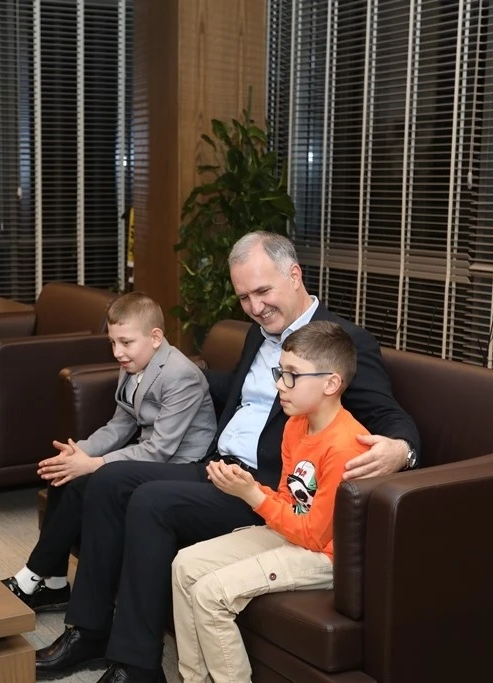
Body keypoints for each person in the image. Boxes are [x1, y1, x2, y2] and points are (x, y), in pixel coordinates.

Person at [34, 231, 421, 683]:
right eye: (244, 298)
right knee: (104, 480)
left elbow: (390, 415)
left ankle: (137, 666)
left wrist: (402, 448)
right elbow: (238, 393)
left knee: (151, 503)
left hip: (265, 487)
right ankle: (90, 631)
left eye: (263, 291)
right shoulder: (259, 335)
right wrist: (179, 374)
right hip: (217, 464)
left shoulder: (341, 342)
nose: (255, 307)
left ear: (294, 275)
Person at [172, 320, 366, 683]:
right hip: (293, 533)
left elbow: (314, 535)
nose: (279, 384)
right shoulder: (295, 424)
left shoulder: (345, 446)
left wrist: (253, 495)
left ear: (331, 383)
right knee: (184, 565)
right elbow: (288, 499)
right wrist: (247, 487)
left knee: (212, 593)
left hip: (325, 556)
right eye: (280, 372)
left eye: (292, 375)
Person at [2, 291, 217, 613]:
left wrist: (94, 464)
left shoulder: (181, 375)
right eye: (113, 343)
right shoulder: (132, 362)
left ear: (155, 337)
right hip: (148, 453)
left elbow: (160, 450)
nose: (117, 352)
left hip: (180, 464)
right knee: (64, 473)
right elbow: (120, 425)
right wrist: (78, 453)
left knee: (84, 482)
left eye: (125, 342)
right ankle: (56, 585)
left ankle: (30, 576)